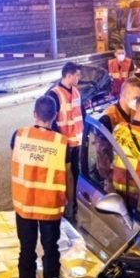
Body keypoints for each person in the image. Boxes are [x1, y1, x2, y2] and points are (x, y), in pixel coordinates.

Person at [10, 95, 73, 278]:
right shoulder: (62, 143)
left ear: (35, 114)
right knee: (51, 247)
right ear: (55, 116)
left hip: (25, 204)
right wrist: (70, 202)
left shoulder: (18, 136)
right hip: (49, 205)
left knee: (26, 248)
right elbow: (68, 174)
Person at [46, 63, 84, 206]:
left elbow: (81, 113)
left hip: (76, 141)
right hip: (64, 143)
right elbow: (52, 121)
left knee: (75, 171)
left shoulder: (76, 92)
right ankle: (64, 202)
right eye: (77, 75)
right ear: (69, 76)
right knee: (63, 174)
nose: (79, 78)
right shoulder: (54, 94)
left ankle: (74, 201)